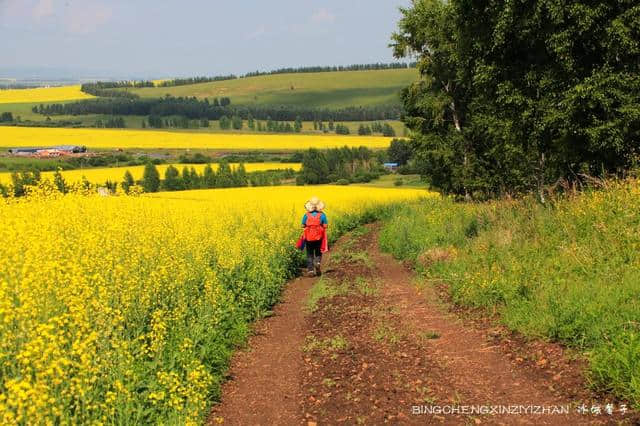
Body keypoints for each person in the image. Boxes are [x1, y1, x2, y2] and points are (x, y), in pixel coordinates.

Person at [302, 196, 328, 277]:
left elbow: (302, 225)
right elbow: (325, 225)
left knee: (309, 254)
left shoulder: (306, 215)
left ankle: (310, 271)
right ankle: (317, 263)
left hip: (308, 237)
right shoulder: (322, 215)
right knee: (318, 251)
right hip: (318, 237)